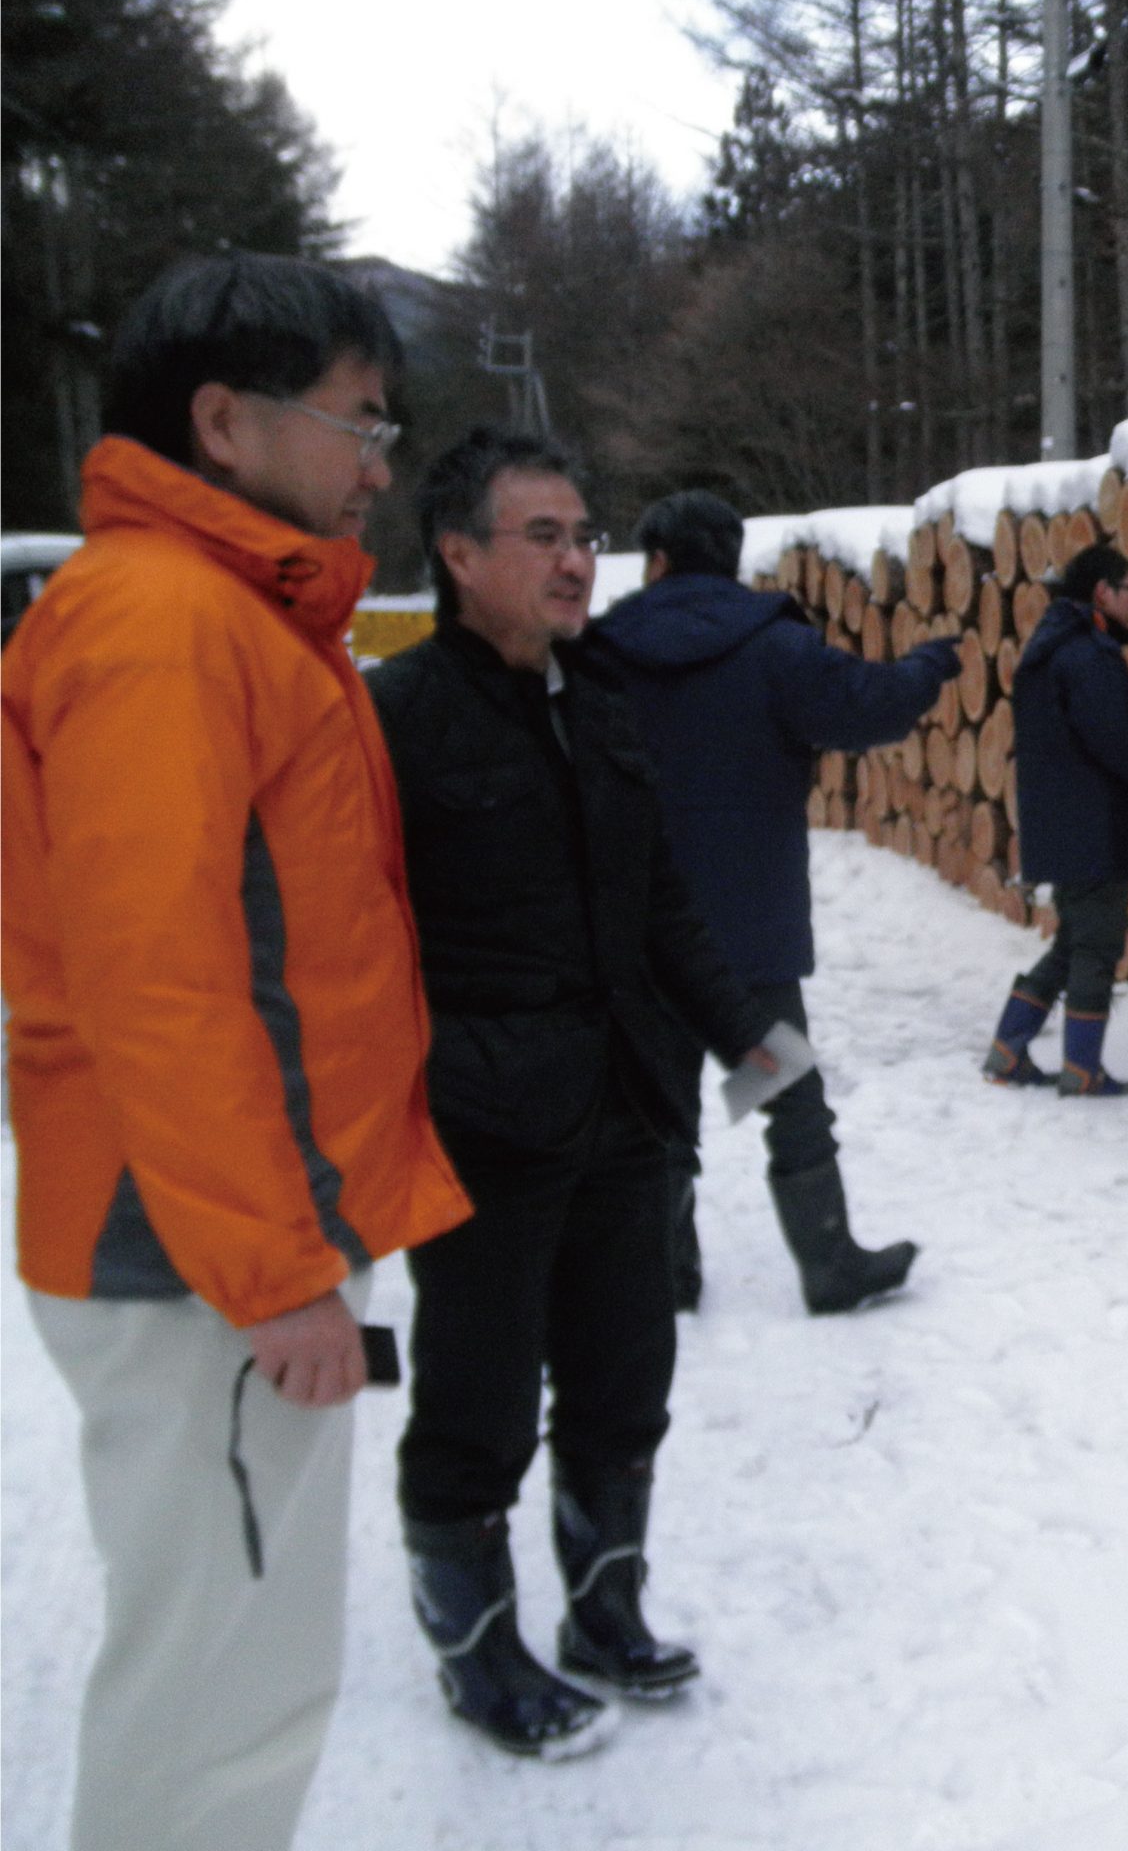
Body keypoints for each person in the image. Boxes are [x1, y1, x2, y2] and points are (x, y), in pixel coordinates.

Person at [1, 252, 474, 1851]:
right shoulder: (160, 624)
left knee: (233, 1664)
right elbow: (163, 978)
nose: (380, 462)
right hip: (193, 1257)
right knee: (221, 1694)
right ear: (223, 423)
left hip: (211, 1238)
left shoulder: (232, 617)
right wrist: (272, 1275)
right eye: (356, 420)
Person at [367, 428, 780, 1758]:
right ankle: (480, 1655)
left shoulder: (601, 704)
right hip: (484, 1127)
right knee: (477, 1402)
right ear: (458, 553)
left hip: (626, 1110)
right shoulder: (394, 719)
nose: (575, 558)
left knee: (623, 1379)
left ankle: (608, 1612)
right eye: (540, 534)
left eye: (581, 532)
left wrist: (749, 1040)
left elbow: (660, 898)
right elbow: (348, 939)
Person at [587, 490, 959, 1315]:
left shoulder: (598, 653)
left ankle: (663, 1271)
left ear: (656, 562)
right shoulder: (776, 649)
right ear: (731, 561)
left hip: (639, 937)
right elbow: (871, 708)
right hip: (746, 949)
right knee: (784, 1092)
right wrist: (933, 662)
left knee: (656, 1103)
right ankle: (828, 1264)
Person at [982, 543, 1128, 1096]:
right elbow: (1120, 745)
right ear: (1103, 592)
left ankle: (1009, 1048)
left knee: (1072, 943)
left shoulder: (1051, 648)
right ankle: (1082, 1071)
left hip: (1064, 825)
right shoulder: (1087, 656)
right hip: (1095, 827)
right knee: (1097, 946)